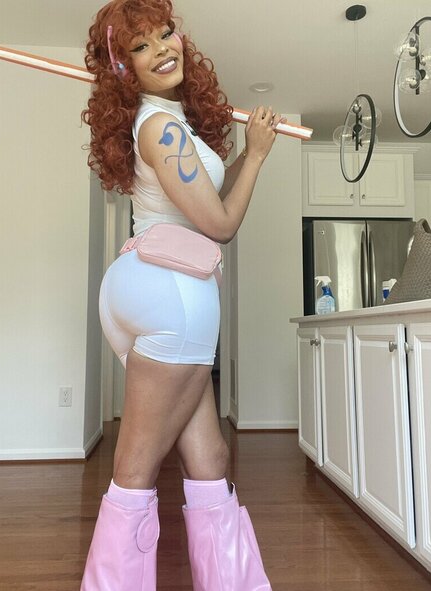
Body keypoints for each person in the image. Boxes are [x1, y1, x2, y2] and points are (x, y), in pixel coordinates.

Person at [80, 0, 284, 589]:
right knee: (134, 471)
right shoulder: (161, 127)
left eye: (164, 34)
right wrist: (259, 158)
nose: (162, 49)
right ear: (125, 70)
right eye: (140, 46)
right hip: (174, 294)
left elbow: (207, 201)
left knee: (210, 459)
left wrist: (245, 152)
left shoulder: (171, 123)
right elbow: (219, 225)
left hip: (149, 285)